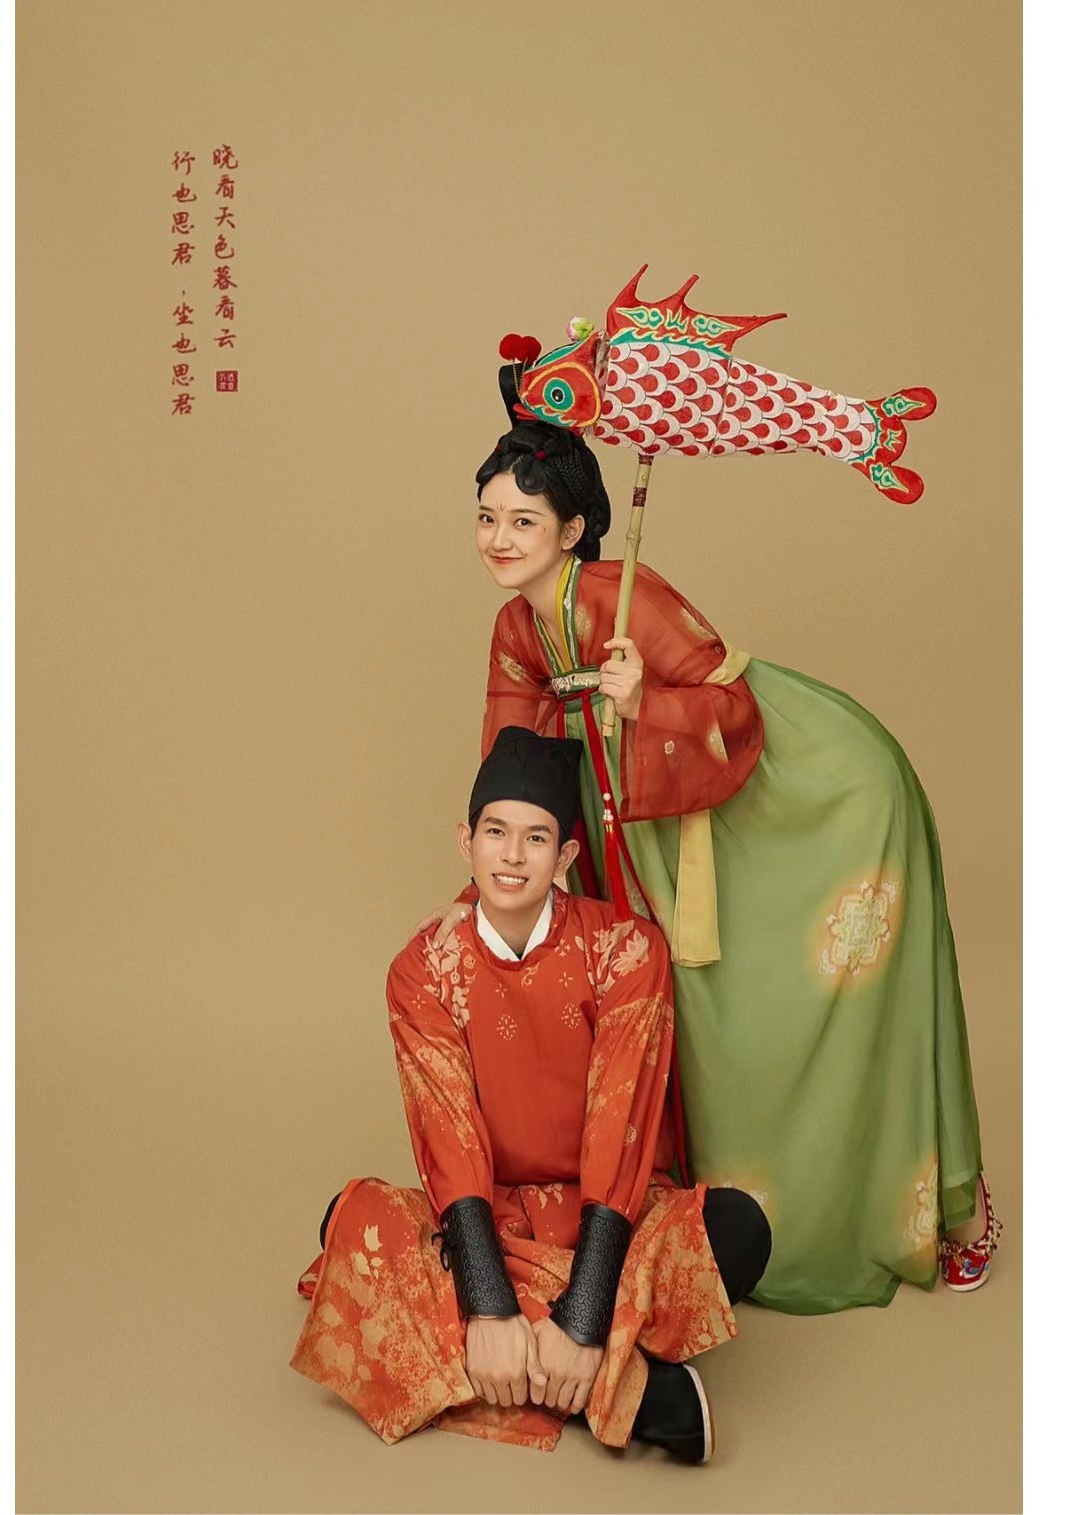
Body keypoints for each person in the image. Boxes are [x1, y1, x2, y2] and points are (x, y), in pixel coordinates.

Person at [424, 378, 1001, 1315]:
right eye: (487, 517)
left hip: (737, 807)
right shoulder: (515, 626)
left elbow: (730, 707)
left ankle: (944, 1208)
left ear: (574, 530)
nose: (499, 537)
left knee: (755, 1009)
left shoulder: (623, 595)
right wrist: (507, 866)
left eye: (523, 520)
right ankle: (661, 1209)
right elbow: (512, 759)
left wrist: (643, 702)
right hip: (614, 830)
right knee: (650, 1007)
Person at [291, 728, 771, 1459]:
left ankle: (525, 1357)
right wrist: (488, 1302)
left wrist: (584, 1311)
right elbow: (449, 1135)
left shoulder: (626, 949)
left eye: (536, 838)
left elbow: (619, 1127)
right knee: (348, 1221)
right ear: (466, 842)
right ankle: (628, 1394)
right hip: (493, 1218)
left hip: (610, 1215)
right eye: (496, 833)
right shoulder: (424, 969)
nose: (513, 855)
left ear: (566, 857)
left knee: (738, 1229)